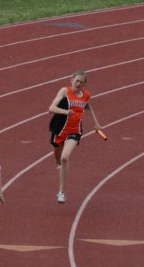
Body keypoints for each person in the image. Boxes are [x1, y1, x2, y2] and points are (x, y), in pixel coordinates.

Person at [48, 70, 104, 204]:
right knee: (57, 158)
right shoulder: (64, 91)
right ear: (71, 79)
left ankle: (61, 192)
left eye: (81, 82)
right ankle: (59, 165)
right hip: (59, 129)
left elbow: (88, 106)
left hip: (75, 131)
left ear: (85, 84)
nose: (78, 84)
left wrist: (96, 123)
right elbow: (51, 108)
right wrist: (66, 112)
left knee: (65, 158)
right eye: (77, 81)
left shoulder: (85, 95)